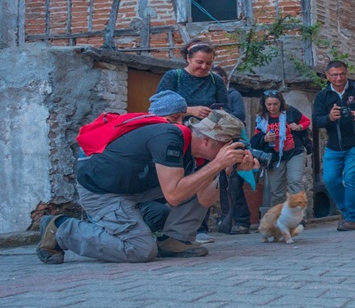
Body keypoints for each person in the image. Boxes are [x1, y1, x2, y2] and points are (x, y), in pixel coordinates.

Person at [36, 110, 257, 264]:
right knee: (140, 250)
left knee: (198, 179)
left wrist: (226, 169)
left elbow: (204, 198)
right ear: (210, 141)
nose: (233, 150)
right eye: (231, 144)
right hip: (103, 191)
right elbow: (173, 196)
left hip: (136, 189)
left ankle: (174, 240)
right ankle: (62, 228)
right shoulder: (169, 138)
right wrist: (218, 163)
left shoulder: (201, 154)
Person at [156, 38, 228, 243]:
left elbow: (225, 105)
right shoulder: (173, 77)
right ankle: (168, 227)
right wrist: (189, 110)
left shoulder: (216, 81)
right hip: (177, 137)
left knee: (202, 178)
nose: (204, 67)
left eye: (208, 63)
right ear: (188, 58)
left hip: (205, 140)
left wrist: (215, 113)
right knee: (179, 180)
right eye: (199, 62)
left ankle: (198, 228)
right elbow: (159, 105)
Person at [312, 60, 355, 232]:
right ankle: (346, 210)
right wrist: (329, 117)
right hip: (334, 146)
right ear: (327, 76)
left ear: (347, 73)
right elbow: (317, 120)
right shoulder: (323, 96)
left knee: (351, 179)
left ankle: (350, 219)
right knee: (330, 180)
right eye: (334, 75)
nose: (338, 78)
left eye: (342, 74)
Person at [139, 90, 189, 232]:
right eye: (174, 118)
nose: (180, 124)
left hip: (145, 194)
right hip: (123, 197)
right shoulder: (156, 137)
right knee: (143, 250)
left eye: (182, 118)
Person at [251, 90, 311, 207]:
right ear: (264, 105)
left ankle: (298, 216)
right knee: (276, 189)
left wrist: (298, 127)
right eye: (269, 105)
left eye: (275, 104)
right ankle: (278, 219)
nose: (272, 107)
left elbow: (306, 121)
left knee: (295, 182)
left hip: (294, 152)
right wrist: (265, 138)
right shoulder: (260, 119)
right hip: (273, 155)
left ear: (281, 103)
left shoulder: (290, 112)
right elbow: (256, 138)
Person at [211, 66, 250, 235]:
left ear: (225, 79)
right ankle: (225, 221)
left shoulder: (233, 95)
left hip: (232, 142)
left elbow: (240, 116)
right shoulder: (207, 95)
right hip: (211, 145)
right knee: (219, 185)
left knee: (234, 184)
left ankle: (242, 221)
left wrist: (219, 114)